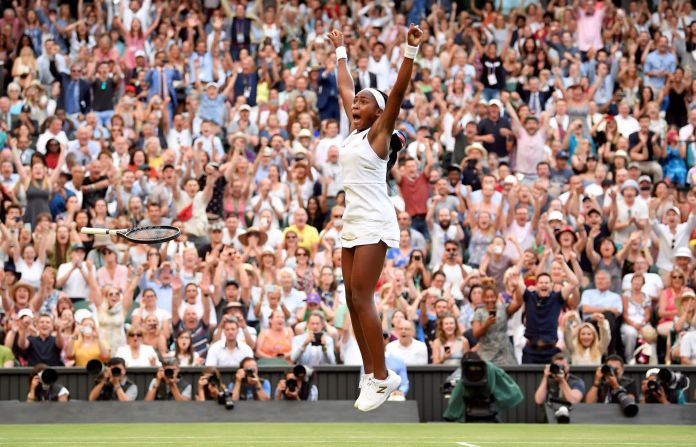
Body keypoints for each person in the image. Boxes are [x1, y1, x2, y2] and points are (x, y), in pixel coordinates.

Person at [327, 23, 424, 412]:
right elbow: (343, 87)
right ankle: (372, 374)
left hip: (375, 222)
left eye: (364, 102)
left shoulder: (378, 135)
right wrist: (340, 53)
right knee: (351, 298)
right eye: (355, 102)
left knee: (363, 296)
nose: (355, 103)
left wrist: (409, 51)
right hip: (353, 222)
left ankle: (382, 376)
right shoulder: (352, 133)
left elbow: (397, 92)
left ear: (379, 112)